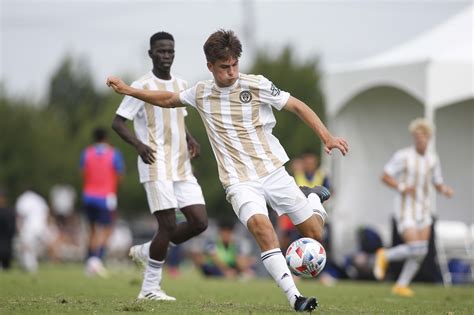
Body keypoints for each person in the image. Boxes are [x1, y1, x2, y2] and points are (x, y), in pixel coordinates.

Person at [107, 29, 348, 312]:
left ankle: (314, 199)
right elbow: (166, 99)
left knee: (315, 234)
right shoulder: (200, 92)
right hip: (238, 182)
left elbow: (296, 106)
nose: (231, 72)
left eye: (235, 65)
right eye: (224, 67)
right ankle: (296, 298)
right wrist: (127, 90)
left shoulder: (255, 84)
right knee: (262, 228)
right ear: (210, 66)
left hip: (272, 171)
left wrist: (326, 137)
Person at [111, 31, 208, 301]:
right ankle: (149, 289)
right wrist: (138, 145)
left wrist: (191, 139)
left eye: (170, 51)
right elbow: (118, 122)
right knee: (166, 225)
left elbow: (179, 115)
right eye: (161, 51)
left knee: (199, 222)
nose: (166, 55)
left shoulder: (181, 83)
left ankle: (147, 250)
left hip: (181, 164)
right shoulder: (141, 85)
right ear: (151, 53)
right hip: (155, 164)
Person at [374, 118, 453, 297]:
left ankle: (401, 285)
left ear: (429, 138)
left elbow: (437, 182)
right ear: (414, 137)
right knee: (415, 246)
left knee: (422, 250)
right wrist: (401, 187)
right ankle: (385, 255)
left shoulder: (433, 159)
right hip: (405, 208)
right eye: (417, 136)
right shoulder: (404, 156)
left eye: (423, 136)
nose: (420, 140)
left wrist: (445, 190)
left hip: (423, 209)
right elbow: (385, 176)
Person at [80, 127, 125, 277]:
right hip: (106, 197)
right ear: (106, 138)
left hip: (88, 195)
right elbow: (120, 175)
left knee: (92, 231)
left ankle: (91, 261)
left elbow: (83, 173)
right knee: (108, 230)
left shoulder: (87, 152)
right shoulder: (114, 153)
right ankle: (96, 260)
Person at [15, 189, 50, 272]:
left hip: (29, 227)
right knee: (35, 247)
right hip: (42, 226)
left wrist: (19, 227)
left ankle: (30, 266)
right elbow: (46, 212)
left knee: (27, 247)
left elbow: (20, 215)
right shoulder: (39, 199)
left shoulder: (23, 199)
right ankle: (52, 263)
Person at [0, 188, 16, 270]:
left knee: (6, 267)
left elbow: (12, 230)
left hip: (6, 246)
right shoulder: (9, 212)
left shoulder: (8, 212)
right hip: (6, 246)